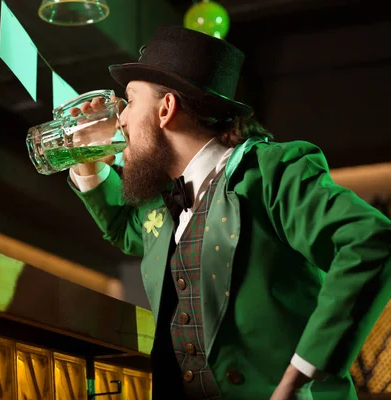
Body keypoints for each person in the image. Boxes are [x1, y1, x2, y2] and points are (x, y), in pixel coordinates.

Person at [67, 25, 391, 399]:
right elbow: (126, 230)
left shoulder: (271, 171)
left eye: (130, 100)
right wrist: (87, 163)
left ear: (166, 109)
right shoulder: (165, 199)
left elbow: (370, 241)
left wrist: (300, 374)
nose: (120, 119)